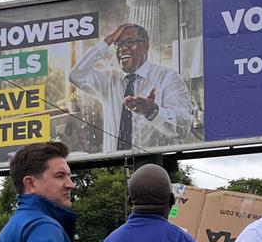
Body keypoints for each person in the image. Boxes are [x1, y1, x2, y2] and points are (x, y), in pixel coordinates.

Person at [68, 23, 193, 152]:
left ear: (145, 45)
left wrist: (153, 111)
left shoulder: (167, 77)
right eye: (119, 44)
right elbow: (76, 76)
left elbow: (183, 127)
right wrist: (108, 41)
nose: (122, 49)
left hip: (151, 166)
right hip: (114, 167)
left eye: (129, 42)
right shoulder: (110, 79)